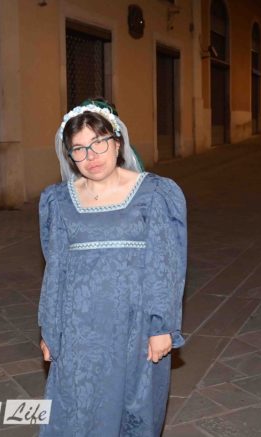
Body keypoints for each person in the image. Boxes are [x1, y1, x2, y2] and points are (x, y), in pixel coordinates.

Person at [38, 100, 187, 436]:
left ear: (117, 143)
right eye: (79, 149)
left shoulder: (154, 193)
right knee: (76, 408)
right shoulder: (58, 201)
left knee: (134, 408)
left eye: (99, 143)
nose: (90, 156)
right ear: (70, 156)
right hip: (78, 328)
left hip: (135, 325)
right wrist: (50, 329)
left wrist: (161, 326)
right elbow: (55, 269)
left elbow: (165, 264)